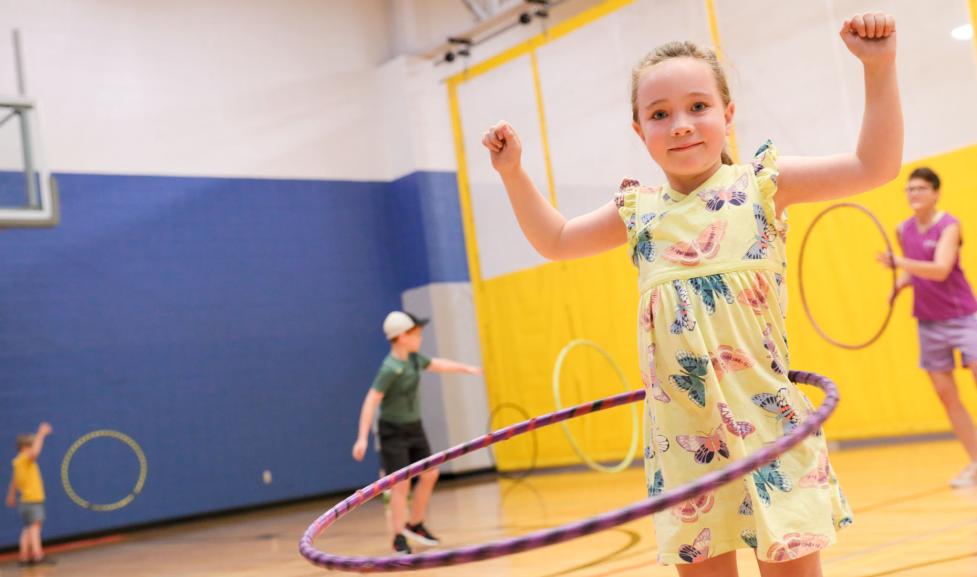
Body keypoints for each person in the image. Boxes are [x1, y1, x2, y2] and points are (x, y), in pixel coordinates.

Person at [482, 12, 901, 576]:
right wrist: (513, 173)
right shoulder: (638, 213)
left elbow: (873, 166)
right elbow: (555, 239)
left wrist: (879, 67)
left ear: (728, 115)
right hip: (685, 441)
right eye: (660, 114)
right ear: (639, 131)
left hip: (770, 422)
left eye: (698, 107)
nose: (680, 124)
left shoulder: (763, 187)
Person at [351, 311, 482, 555]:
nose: (420, 338)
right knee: (401, 486)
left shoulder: (413, 359)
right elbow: (371, 401)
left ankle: (416, 524)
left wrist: (469, 369)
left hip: (414, 427)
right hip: (393, 432)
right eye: (417, 334)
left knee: (430, 474)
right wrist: (362, 437)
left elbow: (438, 364)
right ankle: (398, 537)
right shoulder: (390, 369)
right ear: (402, 337)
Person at [879, 167, 977, 488]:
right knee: (946, 396)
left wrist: (900, 264)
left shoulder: (949, 226)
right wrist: (900, 285)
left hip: (963, 317)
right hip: (928, 322)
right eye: (909, 190)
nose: (914, 195)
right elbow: (915, 271)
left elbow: (939, 269)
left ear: (936, 192)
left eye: (921, 189)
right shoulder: (902, 228)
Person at [6, 422, 54, 566]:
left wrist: (11, 496)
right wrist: (41, 433)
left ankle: (24, 557)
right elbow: (35, 453)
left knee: (27, 528)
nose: (32, 448)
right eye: (30, 446)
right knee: (35, 528)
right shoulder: (26, 459)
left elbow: (14, 481)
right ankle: (37, 555)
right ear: (24, 447)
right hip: (32, 500)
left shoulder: (17, 462)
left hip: (24, 501)